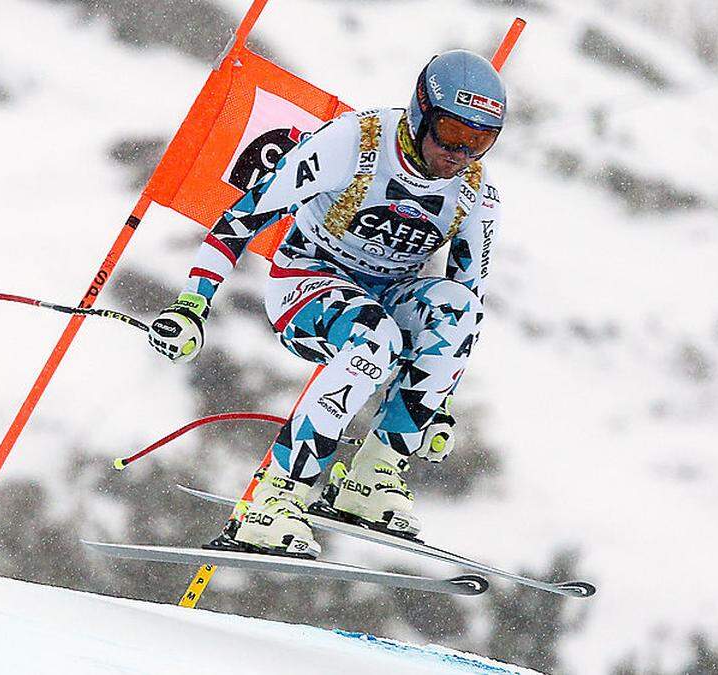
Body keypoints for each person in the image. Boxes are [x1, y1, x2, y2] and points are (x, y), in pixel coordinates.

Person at [148, 49, 505, 558]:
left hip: (388, 293)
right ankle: (275, 498)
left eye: (480, 141)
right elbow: (244, 217)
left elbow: (469, 293)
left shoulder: (475, 191)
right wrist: (191, 306)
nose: (460, 154)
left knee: (456, 310)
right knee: (373, 334)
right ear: (421, 111)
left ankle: (372, 475)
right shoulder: (352, 143)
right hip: (308, 280)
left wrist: (436, 405)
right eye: (451, 133)